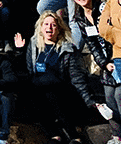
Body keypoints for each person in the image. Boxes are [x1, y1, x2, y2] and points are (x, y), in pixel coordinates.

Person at [16, 11, 102, 143]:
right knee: (33, 89)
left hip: (63, 91)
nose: (49, 27)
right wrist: (19, 51)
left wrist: (88, 100)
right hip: (39, 92)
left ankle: (72, 136)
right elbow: (29, 71)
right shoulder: (34, 45)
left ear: (59, 29)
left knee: (50, 91)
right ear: (41, 27)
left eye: (53, 25)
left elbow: (76, 77)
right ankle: (57, 135)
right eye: (46, 24)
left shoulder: (68, 48)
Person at [71, 0, 121, 144]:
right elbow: (91, 44)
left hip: (120, 58)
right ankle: (116, 136)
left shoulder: (104, 8)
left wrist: (115, 60)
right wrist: (104, 63)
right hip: (106, 64)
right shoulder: (80, 17)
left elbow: (117, 34)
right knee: (109, 100)